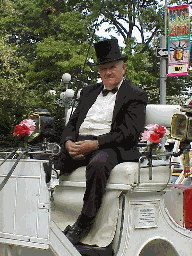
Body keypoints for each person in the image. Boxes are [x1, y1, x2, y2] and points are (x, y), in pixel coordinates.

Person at [58, 38, 148, 245]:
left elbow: (129, 134)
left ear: (123, 68)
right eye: (103, 68)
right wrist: (68, 142)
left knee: (98, 163)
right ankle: (40, 210)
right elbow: (71, 124)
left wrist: (96, 144)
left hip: (111, 147)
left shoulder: (135, 95)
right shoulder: (89, 91)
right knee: (45, 163)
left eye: (112, 68)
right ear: (98, 70)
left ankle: (84, 223)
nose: (107, 73)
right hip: (80, 144)